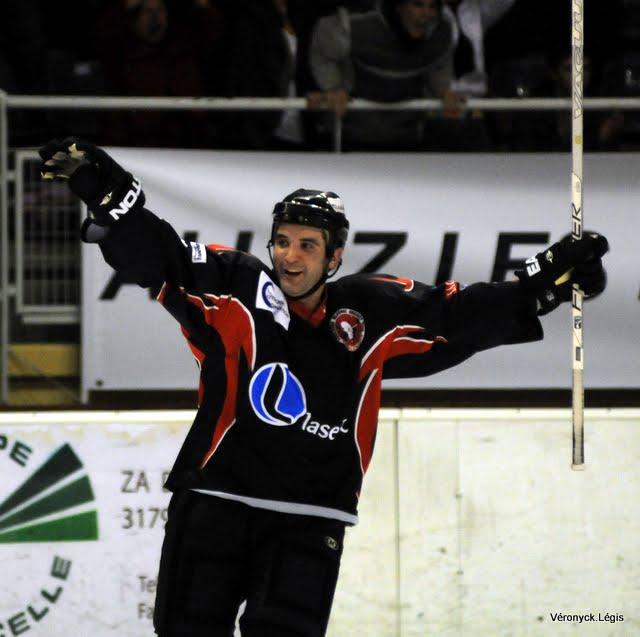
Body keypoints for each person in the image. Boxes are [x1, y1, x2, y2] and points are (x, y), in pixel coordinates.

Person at [39, 137, 608, 636]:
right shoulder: (233, 285)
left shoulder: (368, 311)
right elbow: (161, 258)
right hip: (215, 501)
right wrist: (110, 195)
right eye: (283, 241)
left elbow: (453, 316)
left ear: (334, 256)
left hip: (309, 515)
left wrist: (537, 289)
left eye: (308, 245)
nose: (290, 255)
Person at [308, 0, 492, 150]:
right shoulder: (356, 25)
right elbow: (323, 52)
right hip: (352, 132)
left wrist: (443, 91)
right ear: (399, 7)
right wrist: (332, 86)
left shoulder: (441, 32)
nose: (426, 14)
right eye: (418, 5)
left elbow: (439, 65)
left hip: (408, 133)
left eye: (432, 7)